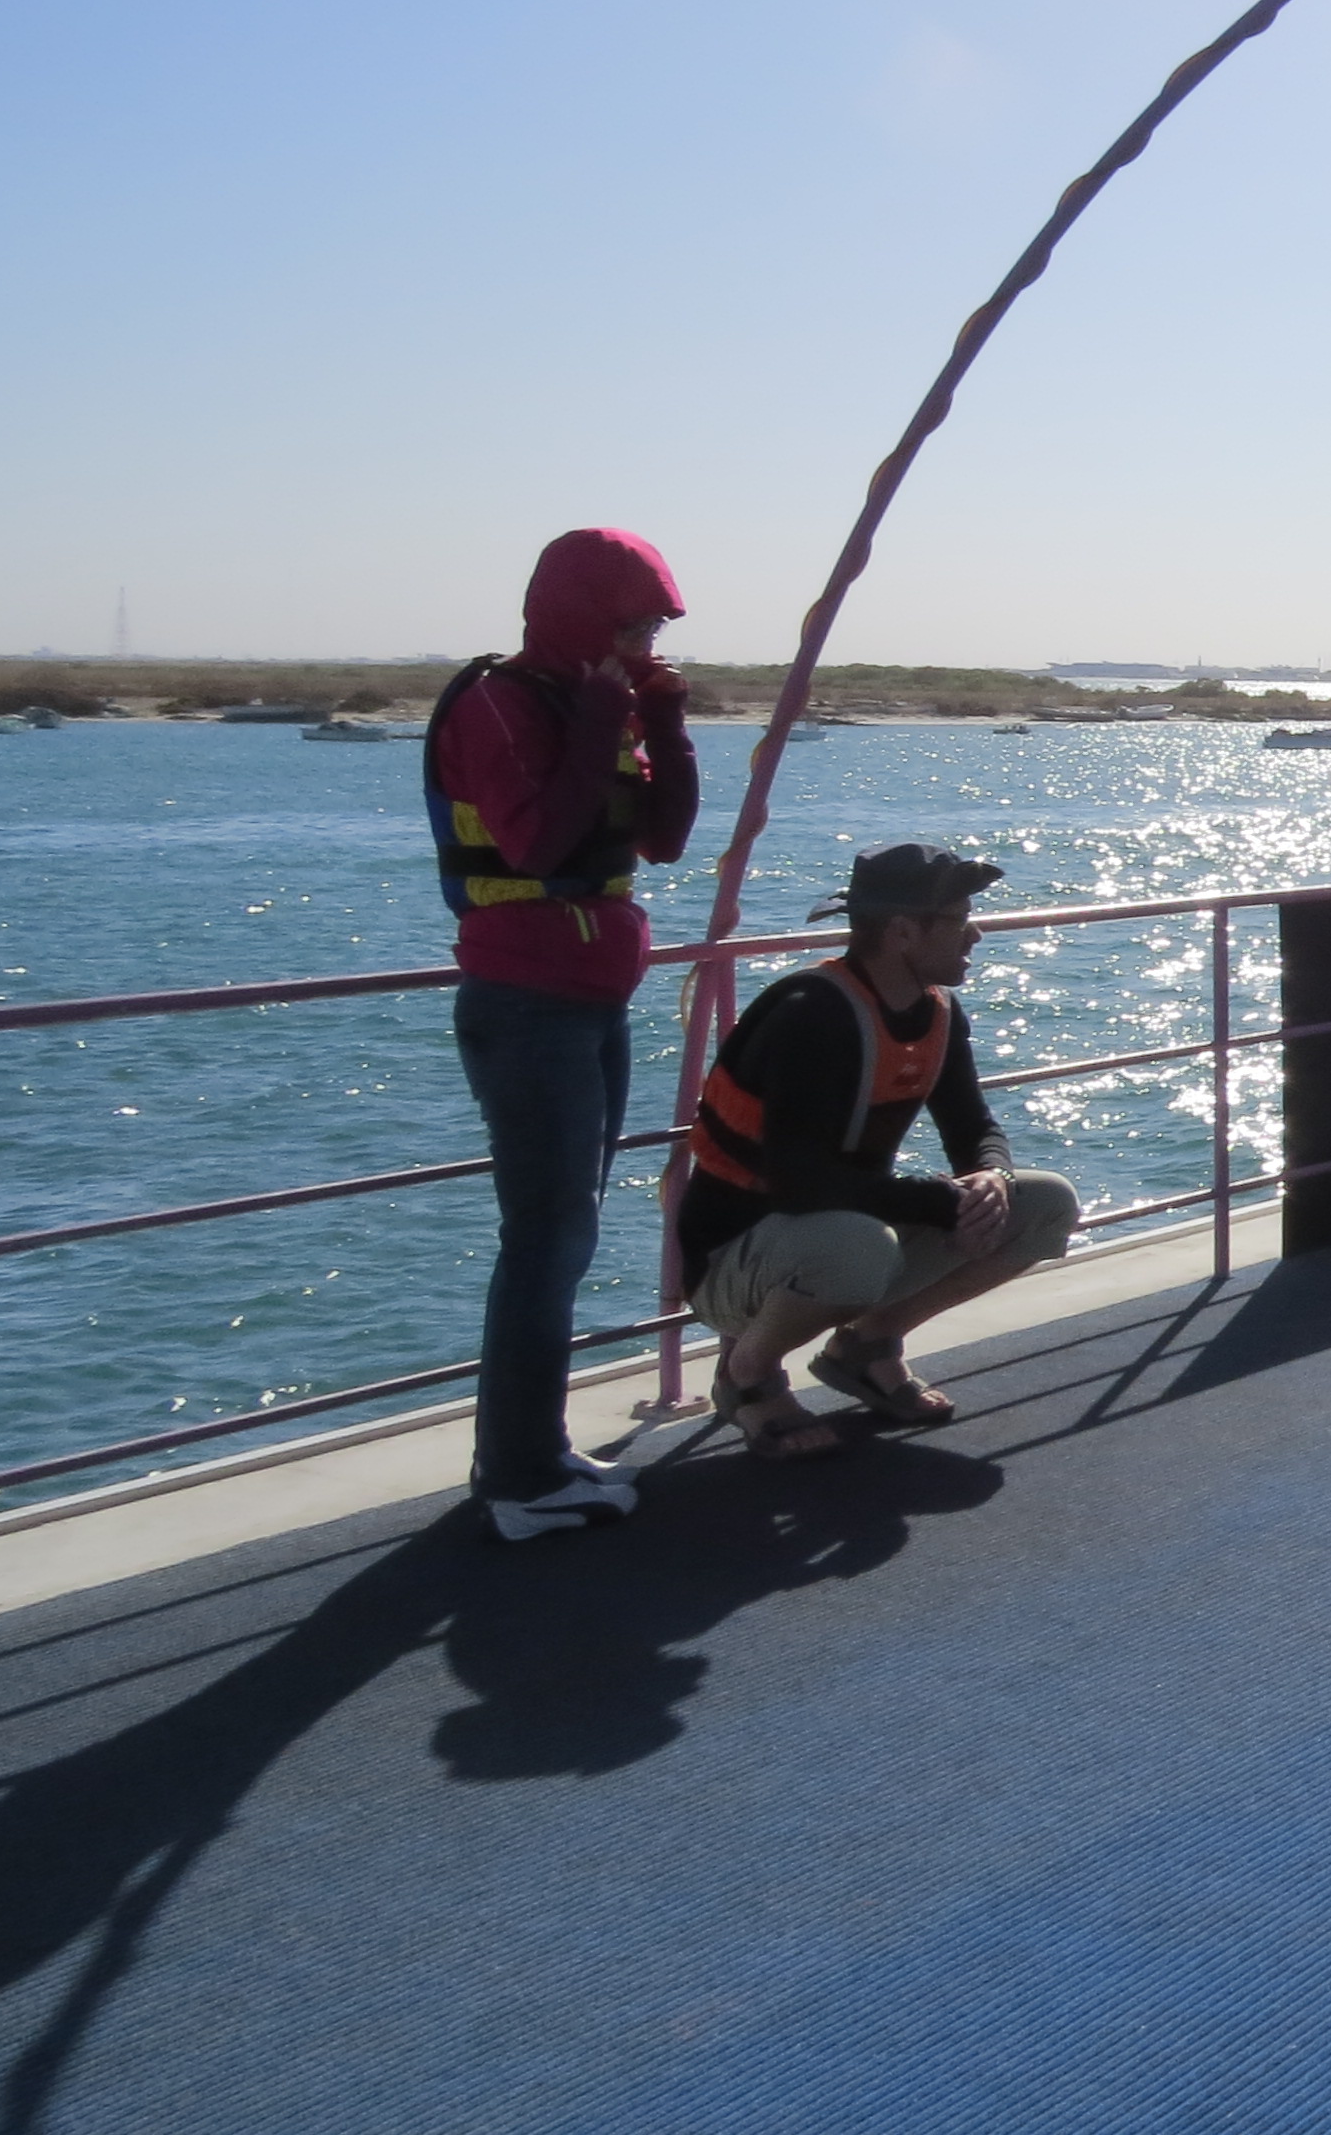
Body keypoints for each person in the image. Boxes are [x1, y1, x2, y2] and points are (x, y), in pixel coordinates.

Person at [427, 528, 700, 1542]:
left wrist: (662, 721)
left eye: (653, 629)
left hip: (593, 998)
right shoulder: (497, 704)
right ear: (582, 618)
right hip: (526, 1002)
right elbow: (537, 844)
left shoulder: (604, 703)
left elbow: (663, 839)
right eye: (630, 626)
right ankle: (518, 1478)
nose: (642, 645)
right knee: (547, 1238)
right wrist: (597, 717)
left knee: (567, 1233)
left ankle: (531, 1450)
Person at [676, 846, 1080, 1460]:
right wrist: (942, 1202)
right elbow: (799, 1183)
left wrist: (990, 1178)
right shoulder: (809, 1016)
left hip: (837, 1231)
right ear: (901, 932)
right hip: (732, 1255)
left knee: (1046, 1203)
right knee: (860, 1246)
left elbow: (973, 1125)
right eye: (959, 919)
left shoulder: (937, 1012)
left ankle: (867, 1347)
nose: (975, 934)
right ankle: (748, 1373)